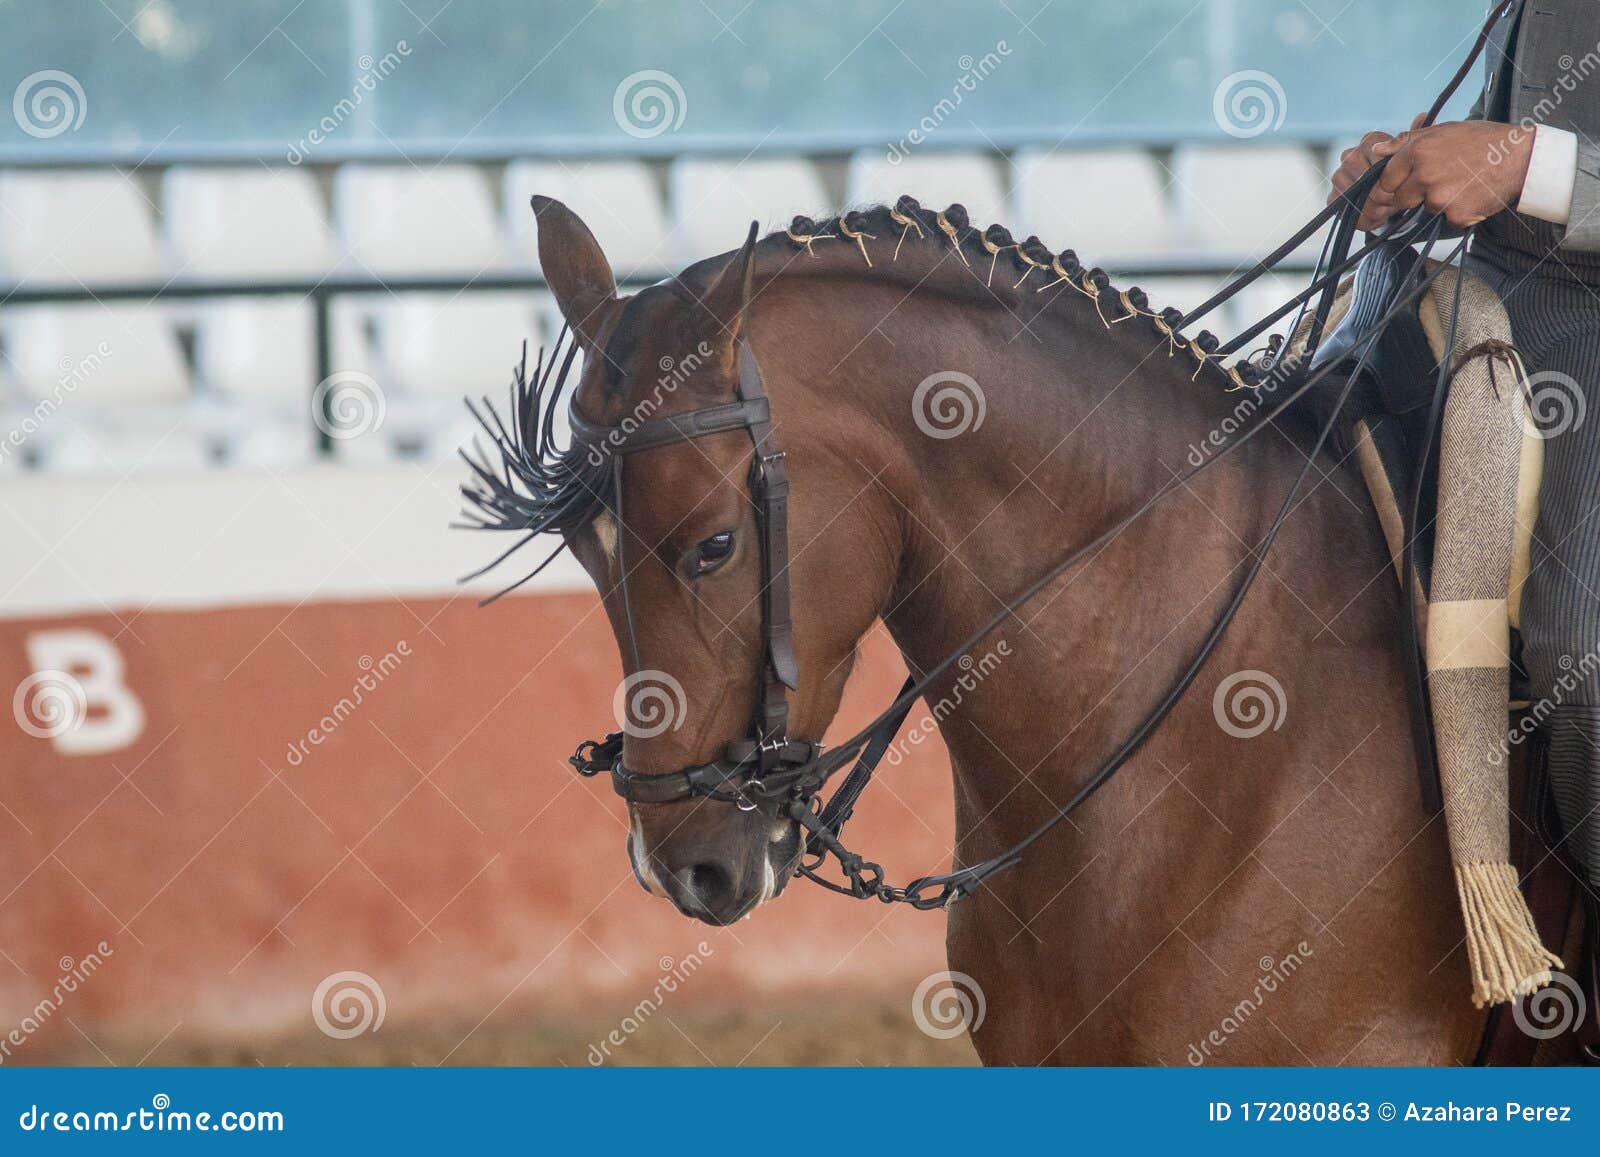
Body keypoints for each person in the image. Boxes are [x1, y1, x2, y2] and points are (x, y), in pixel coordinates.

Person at [1330, 0, 1600, 887]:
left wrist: (1528, 163)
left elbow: (1547, 157)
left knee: (1582, 658)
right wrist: (1423, 178)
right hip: (1490, 280)